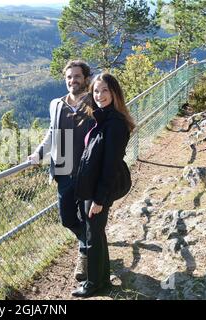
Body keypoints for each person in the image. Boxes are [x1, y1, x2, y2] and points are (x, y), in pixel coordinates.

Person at [70, 72, 135, 297]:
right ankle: (102, 280)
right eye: (96, 91)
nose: (99, 95)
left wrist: (99, 199)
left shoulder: (115, 124)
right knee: (96, 232)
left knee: (93, 235)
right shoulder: (103, 117)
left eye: (105, 90)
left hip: (100, 188)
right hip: (93, 185)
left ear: (114, 92)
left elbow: (110, 166)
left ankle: (93, 284)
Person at [29, 60, 92, 281]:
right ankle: (87, 241)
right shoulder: (57, 104)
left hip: (88, 171)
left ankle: (85, 256)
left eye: (77, 76)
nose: (72, 80)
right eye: (69, 77)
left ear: (85, 78)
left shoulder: (95, 100)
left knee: (88, 218)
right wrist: (38, 153)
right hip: (63, 170)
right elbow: (51, 133)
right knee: (67, 218)